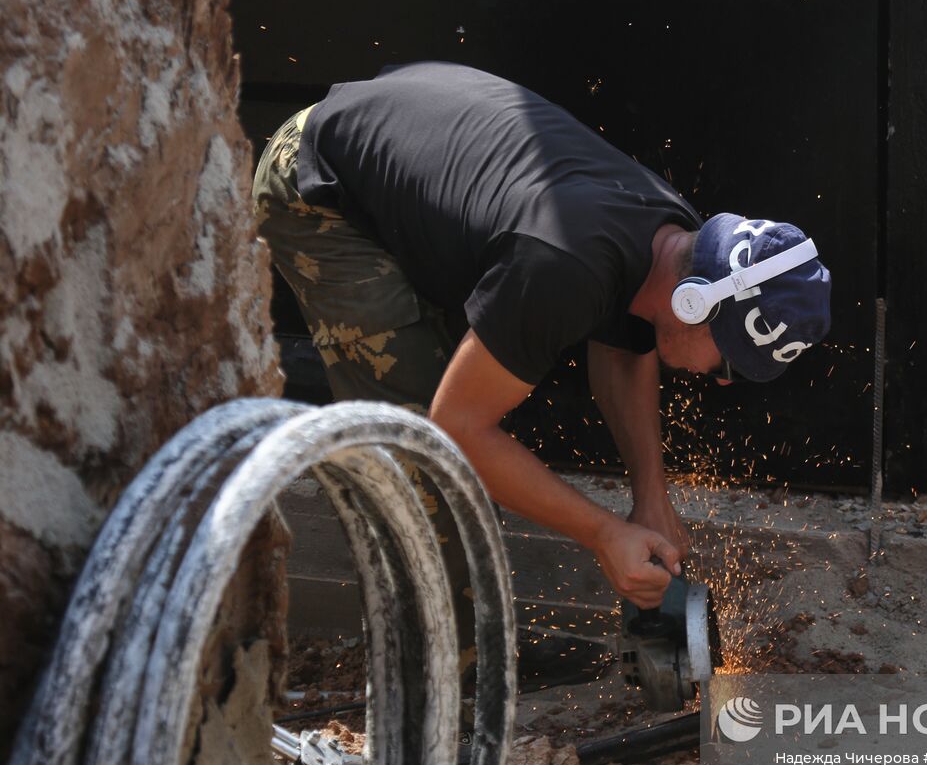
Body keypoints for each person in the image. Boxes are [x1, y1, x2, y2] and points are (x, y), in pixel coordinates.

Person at [252, 62, 831, 681]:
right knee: (418, 442)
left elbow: (624, 343)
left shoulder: (671, 240)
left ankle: (471, 647)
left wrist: (649, 497)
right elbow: (456, 428)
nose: (720, 381)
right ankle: (445, 677)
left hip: (399, 158)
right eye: (729, 363)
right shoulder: (562, 265)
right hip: (318, 185)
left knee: (457, 395)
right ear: (693, 304)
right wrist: (604, 534)